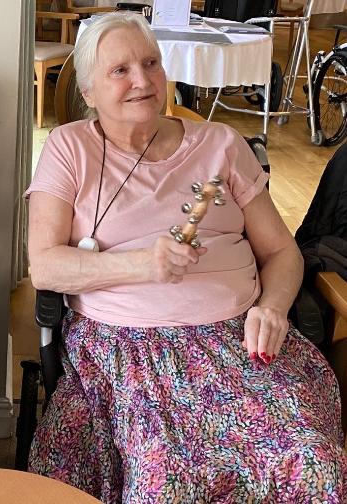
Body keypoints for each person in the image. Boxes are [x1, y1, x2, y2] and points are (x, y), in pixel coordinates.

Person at [25, 12, 346, 503]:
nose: (142, 80)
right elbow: (45, 266)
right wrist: (141, 264)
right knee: (167, 481)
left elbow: (282, 250)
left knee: (313, 461)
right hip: (128, 350)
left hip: (239, 341)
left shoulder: (220, 144)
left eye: (151, 63)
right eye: (120, 70)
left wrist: (273, 307)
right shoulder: (70, 148)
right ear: (88, 91)